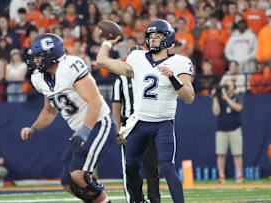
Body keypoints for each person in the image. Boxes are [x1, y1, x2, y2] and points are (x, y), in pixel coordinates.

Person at [97, 19, 195, 203]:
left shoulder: (179, 62)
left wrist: (172, 77)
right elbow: (101, 61)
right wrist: (107, 42)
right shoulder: (137, 58)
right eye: (151, 36)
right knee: (131, 167)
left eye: (158, 36)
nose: (153, 40)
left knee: (166, 166)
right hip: (140, 122)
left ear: (168, 39)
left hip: (163, 123)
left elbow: (189, 97)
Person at [20, 33, 116, 203]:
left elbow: (94, 101)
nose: (35, 61)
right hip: (80, 130)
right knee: (68, 182)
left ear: (51, 56)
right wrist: (33, 128)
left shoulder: (70, 66)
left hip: (99, 124)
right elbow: (49, 111)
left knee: (78, 175)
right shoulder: (39, 77)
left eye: (39, 56)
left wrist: (86, 129)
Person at [112, 45, 160, 203]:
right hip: (129, 128)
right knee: (130, 169)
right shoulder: (121, 80)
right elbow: (116, 106)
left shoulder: (150, 75)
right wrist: (118, 130)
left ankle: (154, 200)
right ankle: (134, 200)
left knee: (152, 168)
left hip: (149, 123)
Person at [211, 79, 244, 184]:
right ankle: (221, 175)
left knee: (237, 154)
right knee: (221, 154)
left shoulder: (238, 96)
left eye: (229, 85)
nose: (227, 87)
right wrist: (215, 97)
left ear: (233, 86)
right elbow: (216, 112)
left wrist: (227, 98)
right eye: (226, 85)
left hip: (235, 129)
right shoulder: (219, 97)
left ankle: (239, 175)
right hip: (222, 129)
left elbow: (239, 108)